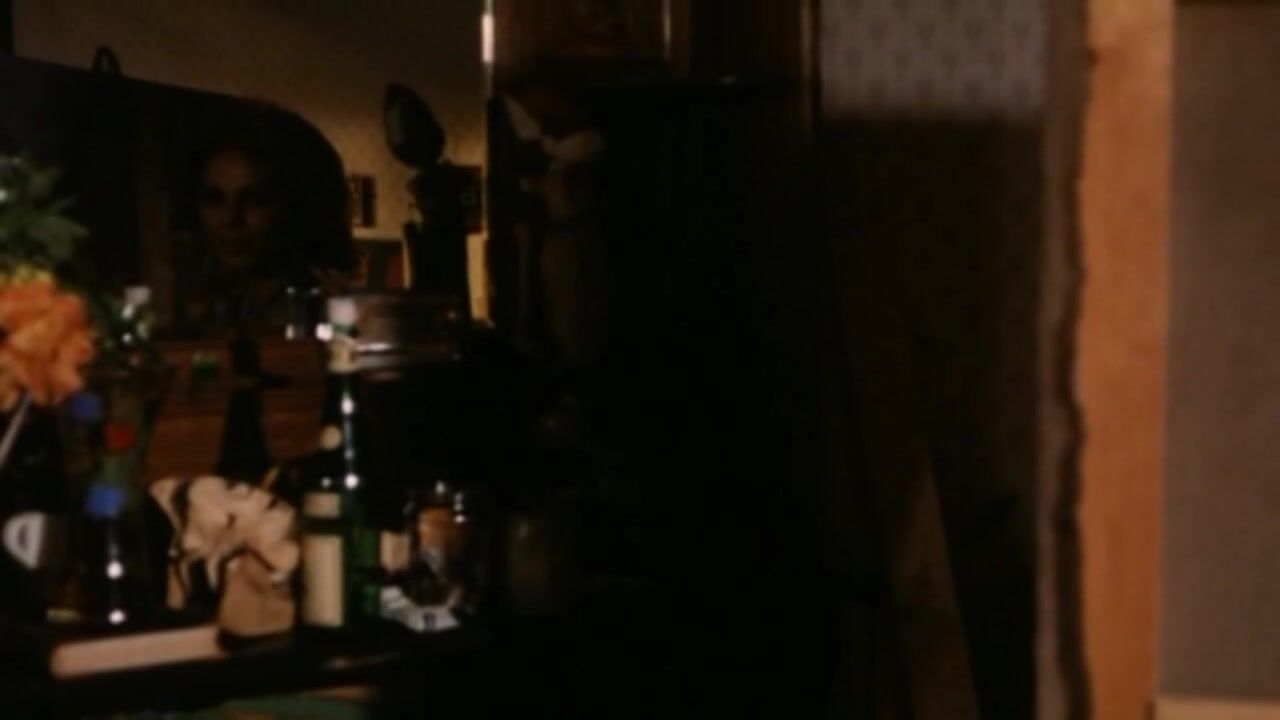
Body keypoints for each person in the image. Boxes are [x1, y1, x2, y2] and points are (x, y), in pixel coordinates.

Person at [172, 102, 354, 338]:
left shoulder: (329, 314)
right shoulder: (219, 308)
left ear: (299, 205)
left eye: (256, 200)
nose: (230, 219)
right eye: (214, 199)